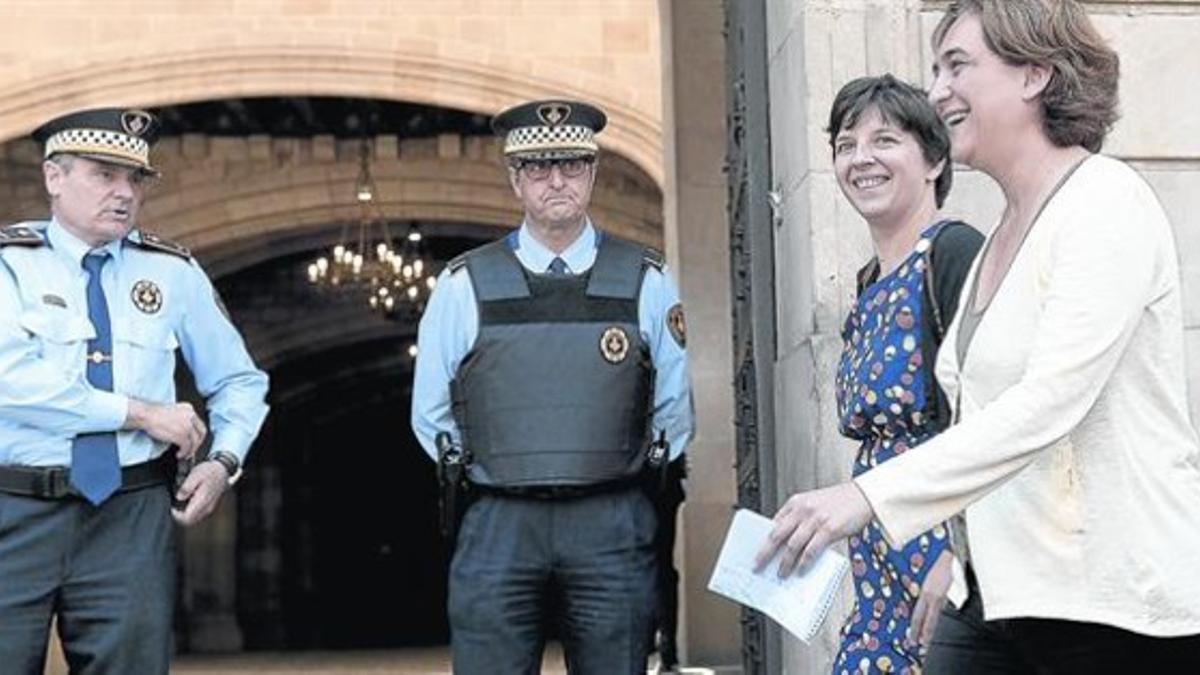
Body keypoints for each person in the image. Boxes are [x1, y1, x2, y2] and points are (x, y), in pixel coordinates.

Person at [756, 0, 1200, 671]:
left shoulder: (1107, 201)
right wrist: (953, 554)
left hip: (1111, 609)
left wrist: (868, 496)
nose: (937, 91)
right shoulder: (995, 240)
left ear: (1035, 74)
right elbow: (971, 416)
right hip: (990, 598)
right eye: (936, 69)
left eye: (957, 65)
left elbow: (1049, 401)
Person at [411, 98, 695, 674]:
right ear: (516, 179)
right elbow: (430, 412)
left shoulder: (646, 280)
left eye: (571, 165)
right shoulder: (464, 285)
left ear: (592, 172)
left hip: (611, 519)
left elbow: (673, 409)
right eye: (539, 168)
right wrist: (491, 469)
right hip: (500, 519)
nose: (556, 181)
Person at [0, 107, 269, 674]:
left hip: (130, 515)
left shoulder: (173, 271)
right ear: (54, 177)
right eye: (104, 174)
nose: (123, 192)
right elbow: (10, 382)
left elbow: (240, 381)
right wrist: (140, 414)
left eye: (135, 179)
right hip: (12, 507)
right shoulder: (9, 265)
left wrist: (223, 461)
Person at [824, 74, 982, 674]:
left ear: (935, 158)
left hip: (945, 555)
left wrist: (960, 559)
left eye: (884, 140)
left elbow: (998, 420)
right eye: (845, 144)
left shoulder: (955, 254)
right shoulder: (868, 282)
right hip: (879, 563)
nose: (860, 158)